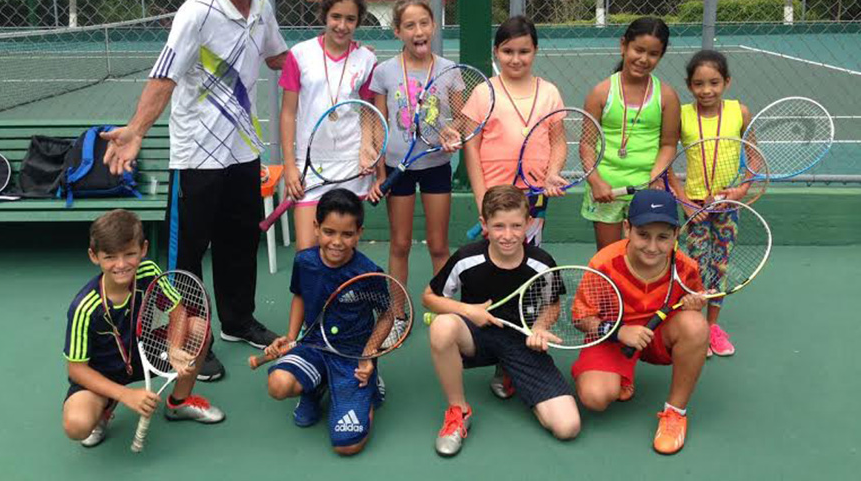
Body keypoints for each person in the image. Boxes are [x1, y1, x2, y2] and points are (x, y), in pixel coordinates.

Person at [102, 0, 288, 381]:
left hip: (244, 150)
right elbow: (164, 75)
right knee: (187, 255)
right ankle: (185, 340)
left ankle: (237, 321)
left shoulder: (262, 7)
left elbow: (278, 57)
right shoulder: (197, 12)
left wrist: (334, 53)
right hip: (196, 156)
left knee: (240, 241)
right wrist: (137, 129)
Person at [422, 185, 581, 457]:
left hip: (521, 341)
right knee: (442, 326)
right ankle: (458, 411)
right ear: (484, 224)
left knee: (568, 427)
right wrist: (468, 310)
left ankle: (509, 371)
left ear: (529, 223)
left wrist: (540, 327)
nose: (508, 235)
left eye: (516, 226)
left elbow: (552, 303)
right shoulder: (466, 258)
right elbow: (429, 297)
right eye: (498, 226)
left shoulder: (542, 264)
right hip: (477, 335)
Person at [62, 210, 224, 447]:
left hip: (145, 351)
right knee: (77, 424)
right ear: (94, 256)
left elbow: (177, 310)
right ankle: (104, 410)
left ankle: (179, 403)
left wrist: (175, 346)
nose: (121, 265)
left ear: (143, 249)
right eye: (110, 257)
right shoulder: (84, 307)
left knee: (198, 327)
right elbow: (77, 369)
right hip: (104, 369)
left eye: (130, 254)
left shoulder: (148, 272)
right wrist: (125, 395)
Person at [572, 189, 709, 455]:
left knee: (695, 325)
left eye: (663, 237)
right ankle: (621, 374)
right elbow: (581, 318)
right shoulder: (602, 264)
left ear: (676, 235)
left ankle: (675, 414)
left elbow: (688, 320)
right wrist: (619, 332)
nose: (652, 246)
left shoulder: (686, 268)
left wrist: (694, 306)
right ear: (627, 228)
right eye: (643, 234)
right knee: (595, 398)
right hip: (614, 338)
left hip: (656, 337)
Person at [264, 189, 386, 456]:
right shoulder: (305, 262)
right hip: (315, 344)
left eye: (347, 234)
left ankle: (369, 392)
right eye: (329, 232)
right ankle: (317, 383)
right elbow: (300, 296)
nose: (337, 242)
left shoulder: (369, 272)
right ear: (316, 228)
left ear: (359, 233)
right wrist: (290, 336)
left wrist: (369, 355)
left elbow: (386, 314)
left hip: (352, 355)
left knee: (347, 445)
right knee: (278, 385)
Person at [278, 0, 378, 250]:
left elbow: (369, 110)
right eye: (336, 17)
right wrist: (290, 166)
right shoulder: (300, 55)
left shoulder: (366, 60)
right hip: (310, 166)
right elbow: (288, 113)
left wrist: (367, 147)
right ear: (324, 15)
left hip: (350, 165)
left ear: (358, 21)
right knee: (307, 252)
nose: (342, 26)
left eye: (350, 19)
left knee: (343, 249)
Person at [368, 0, 454, 293]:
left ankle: (443, 308)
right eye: (409, 25)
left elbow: (458, 122)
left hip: (437, 166)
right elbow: (380, 124)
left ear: (433, 26)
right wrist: (380, 175)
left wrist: (451, 135)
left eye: (424, 23)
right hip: (397, 166)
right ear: (397, 31)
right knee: (400, 243)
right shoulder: (384, 72)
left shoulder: (449, 69)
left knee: (439, 244)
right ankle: (397, 313)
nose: (418, 31)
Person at [463, 16, 566, 248]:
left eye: (524, 51)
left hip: (535, 193)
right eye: (508, 51)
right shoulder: (483, 92)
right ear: (496, 51)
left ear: (535, 51)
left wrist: (552, 173)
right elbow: (471, 147)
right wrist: (482, 200)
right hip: (494, 193)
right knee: (498, 258)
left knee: (528, 257)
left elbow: (558, 142)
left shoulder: (550, 93)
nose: (516, 59)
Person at [677, 50, 752, 357]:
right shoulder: (681, 115)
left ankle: (712, 327)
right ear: (689, 85)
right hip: (694, 207)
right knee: (695, 265)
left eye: (714, 83)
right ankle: (694, 325)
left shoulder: (739, 112)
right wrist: (685, 202)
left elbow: (754, 156)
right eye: (698, 84)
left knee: (718, 265)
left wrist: (742, 188)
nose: (706, 90)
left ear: (726, 82)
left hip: (727, 206)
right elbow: (667, 163)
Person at [582, 16, 681, 250]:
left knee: (647, 258)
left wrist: (654, 177)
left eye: (653, 54)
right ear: (623, 45)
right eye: (638, 50)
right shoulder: (600, 93)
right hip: (606, 191)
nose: (644, 59)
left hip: (647, 192)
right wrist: (596, 181)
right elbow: (586, 145)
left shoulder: (666, 96)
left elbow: (668, 145)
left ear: (661, 56)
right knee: (610, 259)